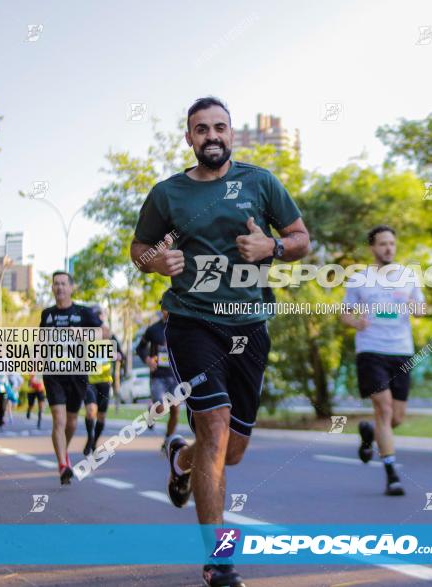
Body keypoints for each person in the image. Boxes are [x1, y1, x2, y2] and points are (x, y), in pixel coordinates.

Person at [132, 96, 310, 587]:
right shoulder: (168, 194)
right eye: (201, 129)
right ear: (189, 139)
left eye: (220, 127)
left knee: (230, 450)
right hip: (192, 322)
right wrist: (156, 261)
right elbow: (140, 249)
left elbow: (300, 238)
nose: (212, 136)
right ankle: (218, 560)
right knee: (213, 424)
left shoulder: (261, 183)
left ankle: (181, 459)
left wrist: (271, 246)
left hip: (249, 326)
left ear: (232, 135)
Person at [340, 225, 426, 496]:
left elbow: (422, 309)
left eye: (391, 243)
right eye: (382, 244)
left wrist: (416, 307)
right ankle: (391, 474)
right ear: (372, 248)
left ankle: (368, 433)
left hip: (401, 351)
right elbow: (344, 313)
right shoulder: (359, 280)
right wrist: (356, 322)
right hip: (371, 351)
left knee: (396, 418)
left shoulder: (408, 276)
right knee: (385, 410)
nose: (388, 248)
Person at [40, 271, 103, 484]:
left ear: (71, 288)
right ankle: (63, 465)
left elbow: (104, 333)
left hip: (77, 373)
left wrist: (83, 335)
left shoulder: (83, 312)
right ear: (52, 288)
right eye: (56, 284)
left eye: (63, 284)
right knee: (59, 419)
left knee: (72, 422)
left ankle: (63, 453)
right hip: (53, 374)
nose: (59, 288)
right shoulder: (46, 314)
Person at [137, 310, 181, 454]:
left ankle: (167, 440)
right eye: (165, 307)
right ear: (162, 309)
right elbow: (140, 348)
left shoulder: (181, 327)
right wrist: (147, 360)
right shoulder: (153, 329)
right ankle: (152, 412)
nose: (168, 311)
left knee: (175, 410)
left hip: (175, 376)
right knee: (162, 408)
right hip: (158, 376)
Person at [84, 323, 119, 456]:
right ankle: (89, 438)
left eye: (106, 330)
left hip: (104, 383)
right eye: (101, 330)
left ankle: (94, 441)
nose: (104, 332)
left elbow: (120, 355)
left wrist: (118, 356)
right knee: (91, 410)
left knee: (101, 417)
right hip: (90, 383)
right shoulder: (88, 343)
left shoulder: (111, 344)